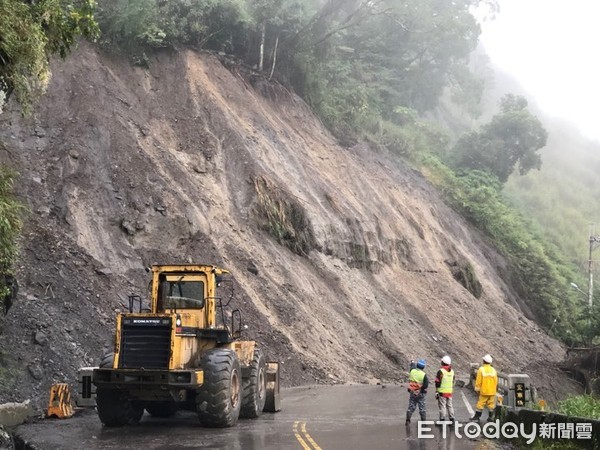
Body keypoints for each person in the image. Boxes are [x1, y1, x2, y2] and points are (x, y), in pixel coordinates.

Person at [470, 354, 498, 422]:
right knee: (491, 404)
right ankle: (491, 417)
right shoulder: (493, 370)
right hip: (492, 391)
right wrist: (495, 389)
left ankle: (477, 417)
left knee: (480, 404)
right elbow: (496, 381)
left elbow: (478, 380)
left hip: (484, 391)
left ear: (484, 361)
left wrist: (477, 389)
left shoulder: (481, 369)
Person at [406, 359, 428, 424]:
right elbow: (426, 385)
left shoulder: (412, 371)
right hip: (420, 393)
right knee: (422, 408)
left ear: (417, 365)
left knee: (411, 406)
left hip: (412, 392)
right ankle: (423, 422)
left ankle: (407, 420)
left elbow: (412, 367)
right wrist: (420, 389)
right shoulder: (424, 375)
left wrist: (412, 362)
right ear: (423, 367)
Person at [435, 355, 455, 423]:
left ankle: (442, 420)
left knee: (442, 406)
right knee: (450, 406)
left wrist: (436, 391)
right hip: (449, 392)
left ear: (442, 362)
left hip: (442, 392)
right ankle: (452, 419)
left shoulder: (440, 371)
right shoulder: (452, 371)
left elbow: (437, 382)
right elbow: (453, 381)